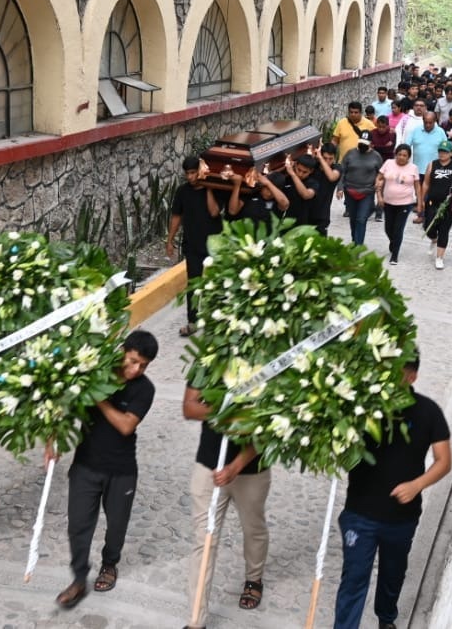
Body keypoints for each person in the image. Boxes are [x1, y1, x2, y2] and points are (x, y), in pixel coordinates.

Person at [333, 358, 452, 629]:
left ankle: (386, 620)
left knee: (392, 575)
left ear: (412, 377)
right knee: (354, 578)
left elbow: (443, 461)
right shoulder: (362, 407)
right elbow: (341, 447)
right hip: (359, 514)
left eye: (395, 374)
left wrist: (417, 485)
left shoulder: (428, 412)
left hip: (402, 518)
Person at [53, 330, 159, 609]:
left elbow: (126, 425)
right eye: (133, 360)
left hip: (121, 469)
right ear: (123, 350)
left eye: (143, 365)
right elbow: (65, 405)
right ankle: (78, 580)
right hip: (85, 465)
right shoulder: (94, 373)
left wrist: (98, 398)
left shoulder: (145, 389)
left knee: (116, 527)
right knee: (78, 526)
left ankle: (110, 564)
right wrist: (54, 439)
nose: (135, 369)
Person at [183, 385, 271, 627]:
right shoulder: (208, 361)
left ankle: (254, 579)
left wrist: (235, 467)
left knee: (253, 529)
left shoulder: (271, 363)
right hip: (208, 465)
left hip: (252, 470)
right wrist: (227, 412)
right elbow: (189, 407)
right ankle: (195, 620)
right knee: (204, 540)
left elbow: (270, 428)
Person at [167, 156, 223, 337]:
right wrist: (169, 240)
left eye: (193, 173)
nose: (190, 177)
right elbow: (176, 216)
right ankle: (192, 321)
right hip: (191, 245)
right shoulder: (182, 192)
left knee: (215, 283)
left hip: (213, 245)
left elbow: (214, 212)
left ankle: (217, 319)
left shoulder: (215, 189)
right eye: (187, 174)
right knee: (193, 284)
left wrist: (207, 187)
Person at [375, 144, 420, 265]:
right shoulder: (388, 163)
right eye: (399, 154)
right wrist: (379, 194)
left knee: (398, 229)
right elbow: (379, 178)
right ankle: (393, 242)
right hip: (388, 202)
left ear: (409, 157)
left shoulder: (413, 168)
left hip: (405, 203)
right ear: (396, 154)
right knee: (388, 228)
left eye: (404, 155)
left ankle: (395, 255)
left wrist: (420, 202)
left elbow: (417, 186)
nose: (401, 157)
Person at [420, 147, 452, 270]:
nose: (442, 154)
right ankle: (434, 239)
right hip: (433, 202)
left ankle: (439, 258)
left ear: (451, 153)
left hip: (449, 203)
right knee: (428, 227)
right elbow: (426, 183)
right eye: (440, 151)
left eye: (445, 152)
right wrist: (422, 199)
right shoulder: (432, 164)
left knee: (444, 229)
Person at [338, 131, 383, 246]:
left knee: (361, 219)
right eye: (361, 142)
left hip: (367, 192)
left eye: (365, 143)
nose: (363, 145)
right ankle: (355, 240)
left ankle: (358, 246)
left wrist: (379, 191)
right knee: (353, 219)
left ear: (371, 144)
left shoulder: (376, 157)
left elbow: (381, 174)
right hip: (350, 191)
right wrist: (340, 188)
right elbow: (342, 171)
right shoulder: (350, 154)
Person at [306, 144, 343, 236]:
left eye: (330, 159)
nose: (327, 161)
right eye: (325, 158)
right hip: (305, 213)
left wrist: (321, 159)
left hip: (321, 216)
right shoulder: (313, 167)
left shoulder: (337, 168)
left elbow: (332, 177)